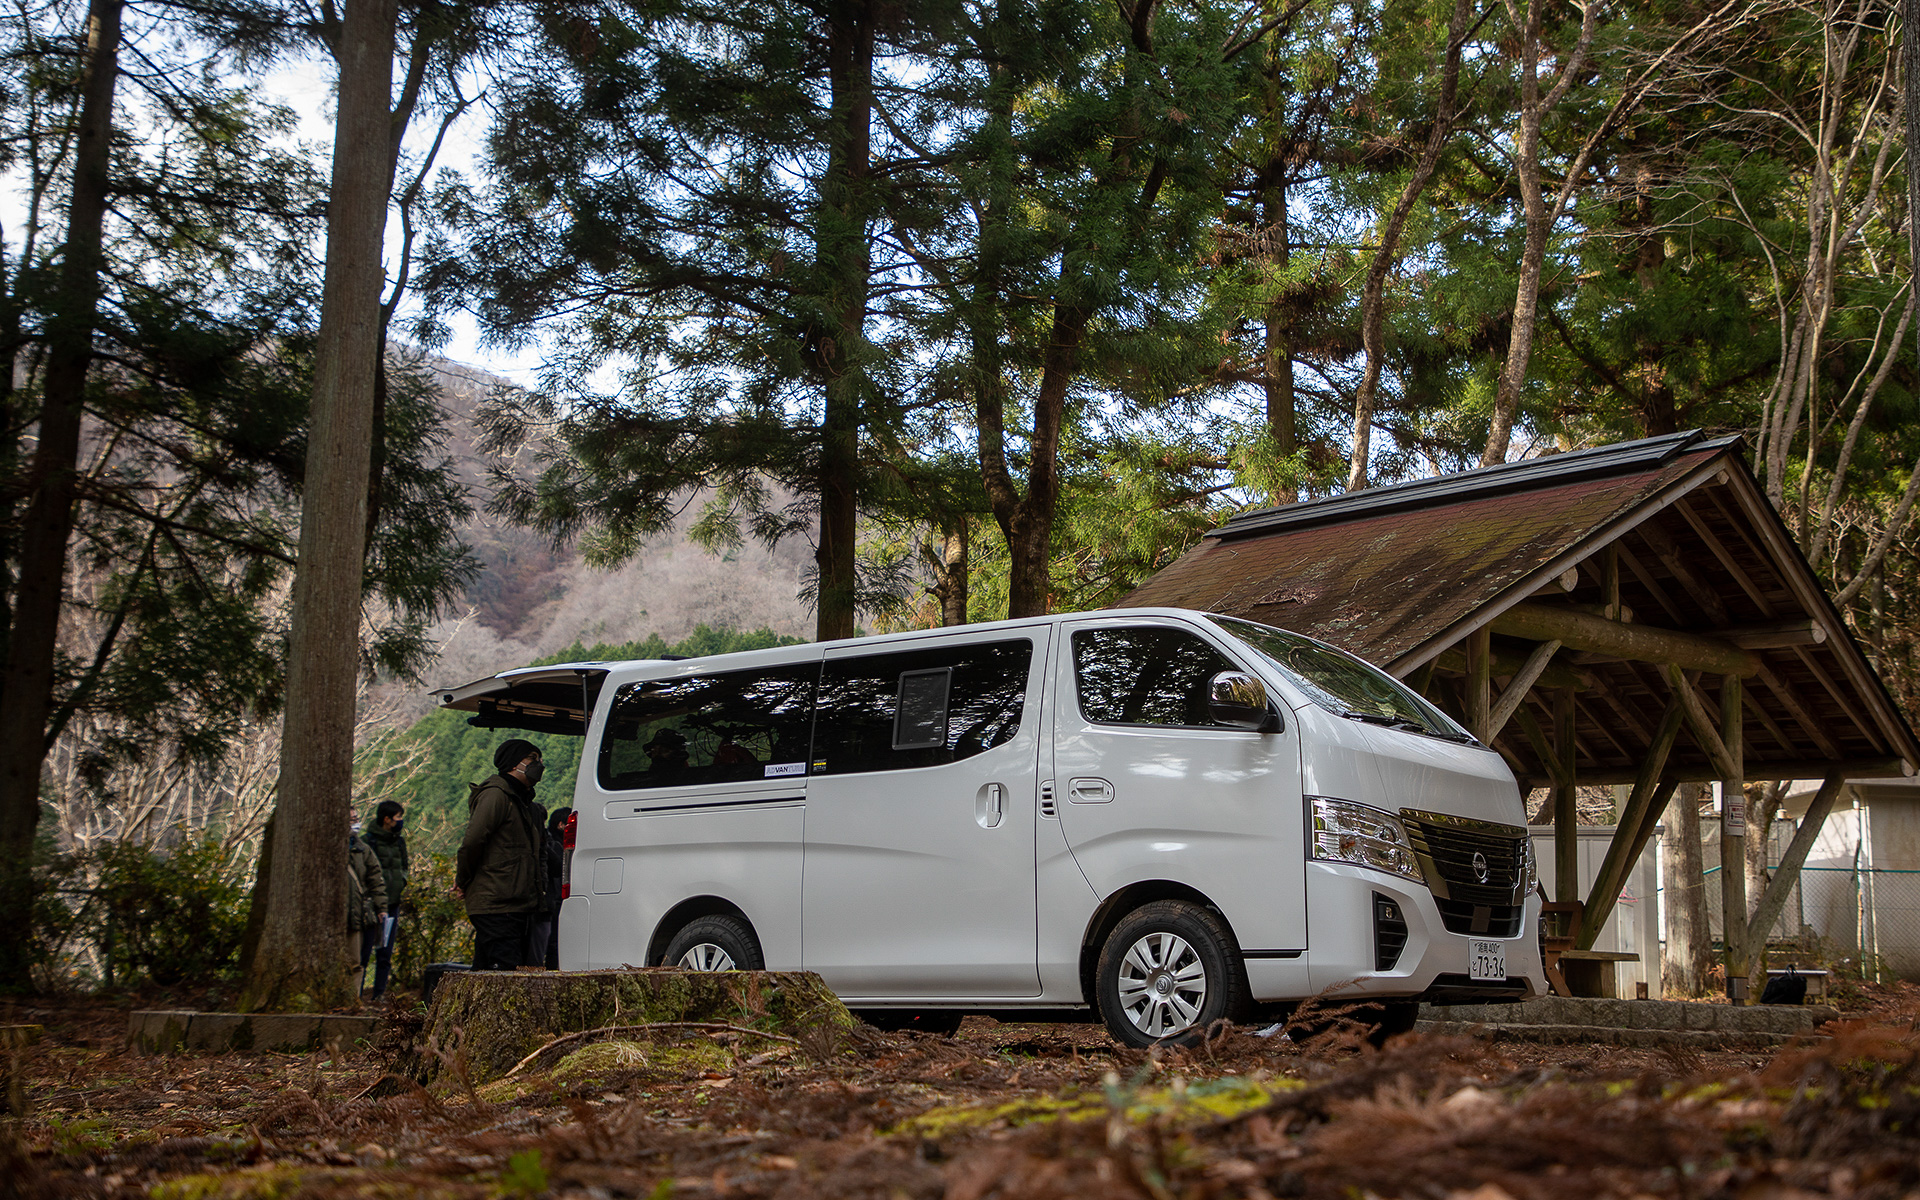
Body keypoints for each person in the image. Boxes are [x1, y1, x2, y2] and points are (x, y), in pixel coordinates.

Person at [455, 738, 549, 971]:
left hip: (514, 903)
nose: (539, 764)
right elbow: (473, 842)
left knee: (488, 971)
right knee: (506, 972)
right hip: (496, 902)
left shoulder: (522, 801)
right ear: (513, 763)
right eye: (532, 759)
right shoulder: (496, 795)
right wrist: (462, 880)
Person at [360, 800, 409, 1000]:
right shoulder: (368, 842)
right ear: (387, 819)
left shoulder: (399, 842)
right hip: (371, 905)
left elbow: (404, 866)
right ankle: (358, 991)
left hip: (393, 903)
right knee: (364, 950)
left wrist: (401, 883)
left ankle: (379, 993)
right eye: (398, 817)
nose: (400, 821)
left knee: (385, 951)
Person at [529, 805, 572, 970]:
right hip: (552, 902)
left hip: (550, 902)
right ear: (561, 825)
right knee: (552, 944)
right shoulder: (554, 846)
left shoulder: (549, 844)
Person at [347, 824, 388, 996]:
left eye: (356, 818)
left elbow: (375, 879)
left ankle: (354, 997)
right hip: (339, 913)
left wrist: (381, 907)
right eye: (352, 819)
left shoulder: (363, 849)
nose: (355, 823)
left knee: (357, 961)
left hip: (357, 913)